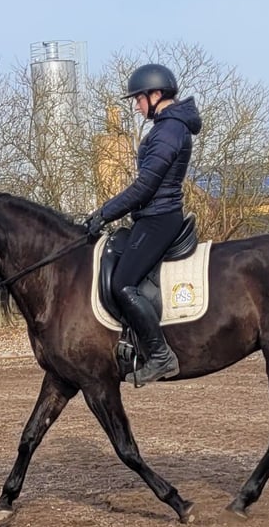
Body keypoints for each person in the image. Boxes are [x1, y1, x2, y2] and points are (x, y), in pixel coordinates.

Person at [85, 63, 202, 385]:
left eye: (138, 99)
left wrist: (104, 213)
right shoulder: (167, 127)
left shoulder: (169, 130)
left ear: (156, 94)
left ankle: (161, 356)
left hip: (159, 218)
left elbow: (145, 186)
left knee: (123, 284)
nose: (136, 106)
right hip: (151, 216)